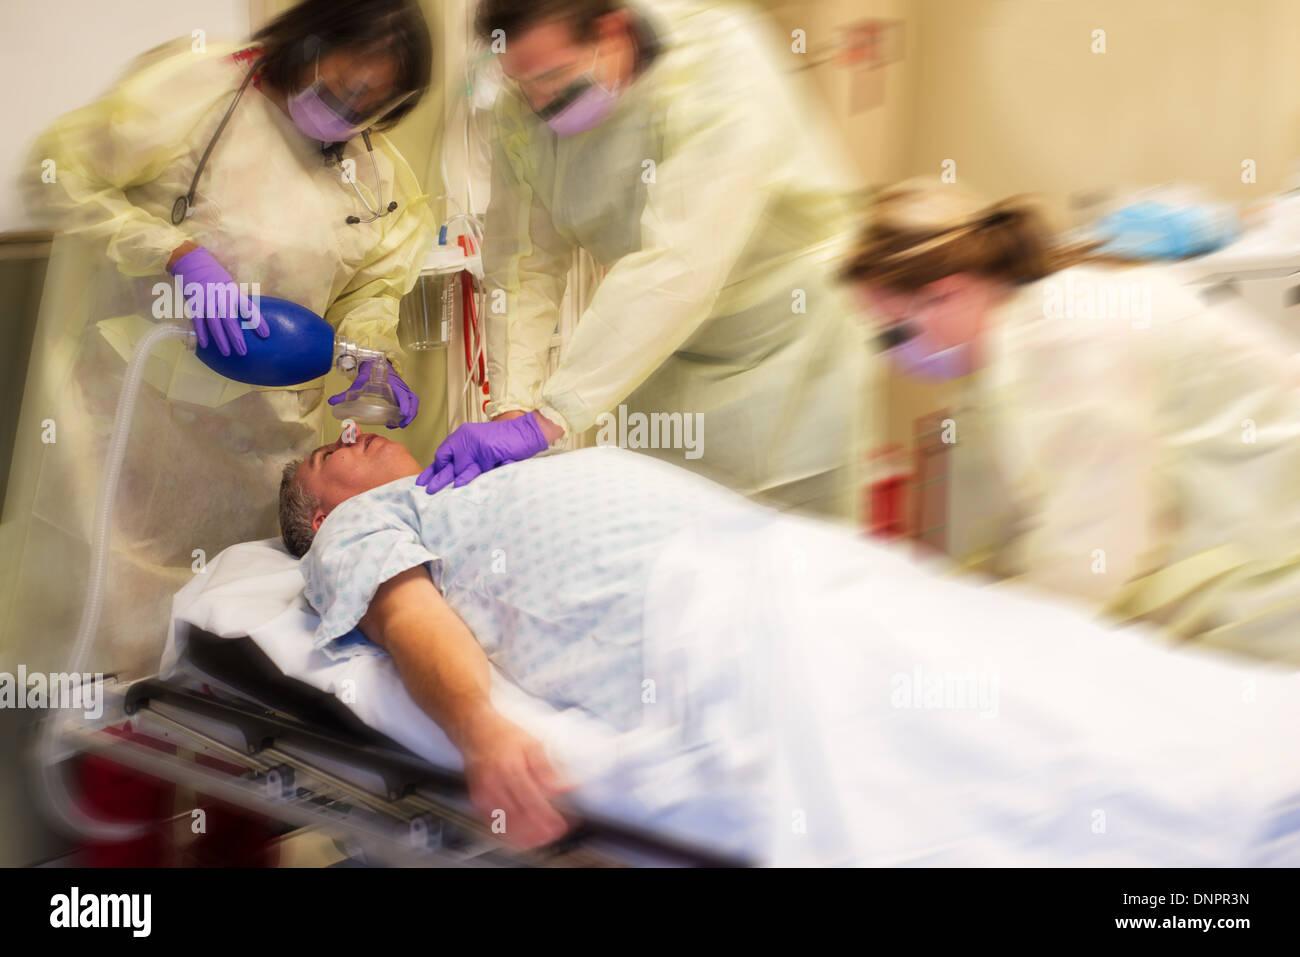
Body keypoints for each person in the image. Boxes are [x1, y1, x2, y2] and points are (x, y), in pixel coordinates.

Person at [279, 430, 1300, 864]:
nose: (356, 437)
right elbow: (408, 616)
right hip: (708, 622)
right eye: (331, 454)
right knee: (999, 724)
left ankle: (1252, 773)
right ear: (320, 519)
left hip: (783, 565)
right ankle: (1239, 807)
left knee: (1040, 660)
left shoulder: (469, 469)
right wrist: (481, 732)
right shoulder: (370, 526)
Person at [1, 0, 439, 679]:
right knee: (101, 653)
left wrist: (367, 353)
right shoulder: (194, 92)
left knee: (212, 655)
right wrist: (173, 252)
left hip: (253, 453)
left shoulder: (374, 174)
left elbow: (371, 287)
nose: (348, 115)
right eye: (339, 88)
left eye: (371, 106)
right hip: (128, 437)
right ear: (304, 41)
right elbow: (53, 177)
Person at [418, 0, 871, 525]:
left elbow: (682, 258)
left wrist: (549, 419)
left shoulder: (718, 58)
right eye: (524, 86)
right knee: (661, 532)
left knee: (787, 549)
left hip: (784, 344)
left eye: (555, 77)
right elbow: (523, 264)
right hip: (662, 346)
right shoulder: (520, 113)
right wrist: (512, 407)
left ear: (613, 30)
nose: (540, 103)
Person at [841, 178, 1300, 661]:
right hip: (1242, 558)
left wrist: (981, 643)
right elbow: (1056, 519)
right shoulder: (1046, 315)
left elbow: (1096, 552)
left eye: (890, 336)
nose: (896, 361)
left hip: (1273, 583)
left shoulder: (1062, 339)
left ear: (943, 295)